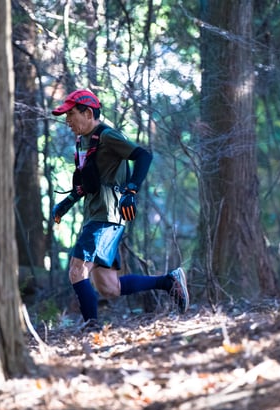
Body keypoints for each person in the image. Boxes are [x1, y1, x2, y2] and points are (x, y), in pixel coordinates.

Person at [51, 89, 189, 327]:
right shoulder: (82, 141)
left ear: (88, 113)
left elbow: (143, 156)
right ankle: (169, 282)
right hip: (95, 215)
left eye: (71, 114)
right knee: (109, 287)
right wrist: (66, 203)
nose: (68, 120)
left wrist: (131, 190)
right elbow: (88, 182)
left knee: (77, 270)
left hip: (106, 216)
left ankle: (90, 330)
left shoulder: (107, 135)